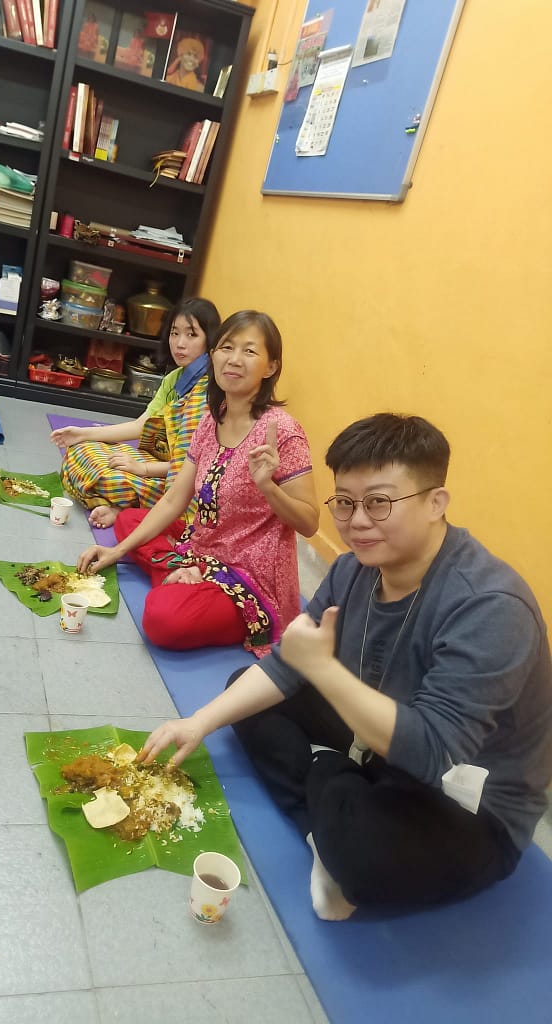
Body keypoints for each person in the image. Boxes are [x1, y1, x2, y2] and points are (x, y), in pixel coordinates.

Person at [138, 413, 552, 920]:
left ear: (435, 502)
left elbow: (432, 752)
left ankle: (331, 802)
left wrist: (325, 672)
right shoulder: (354, 568)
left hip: (464, 795)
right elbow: (287, 667)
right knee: (243, 690)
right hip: (374, 735)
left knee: (363, 862)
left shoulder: (491, 607)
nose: (357, 522)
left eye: (379, 502)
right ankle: (330, 816)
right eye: (345, 502)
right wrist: (197, 723)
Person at [78, 310, 320, 654]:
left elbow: (309, 523)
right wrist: (116, 552)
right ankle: (185, 575)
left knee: (163, 618)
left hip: (250, 575)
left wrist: (268, 486)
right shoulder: (211, 420)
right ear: (213, 356)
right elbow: (174, 500)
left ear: (271, 367)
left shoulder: (283, 432)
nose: (234, 359)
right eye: (227, 347)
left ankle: (185, 581)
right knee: (130, 520)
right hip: (202, 545)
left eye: (250, 351)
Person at [51, 297, 220, 529]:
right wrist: (82, 434)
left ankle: (125, 509)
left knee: (110, 478)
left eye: (192, 335)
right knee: (82, 450)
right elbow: (141, 425)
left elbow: (196, 466)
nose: (180, 344)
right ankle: (125, 507)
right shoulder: (174, 379)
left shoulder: (210, 390)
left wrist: (143, 469)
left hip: (181, 479)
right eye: (174, 333)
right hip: (158, 459)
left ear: (210, 339)